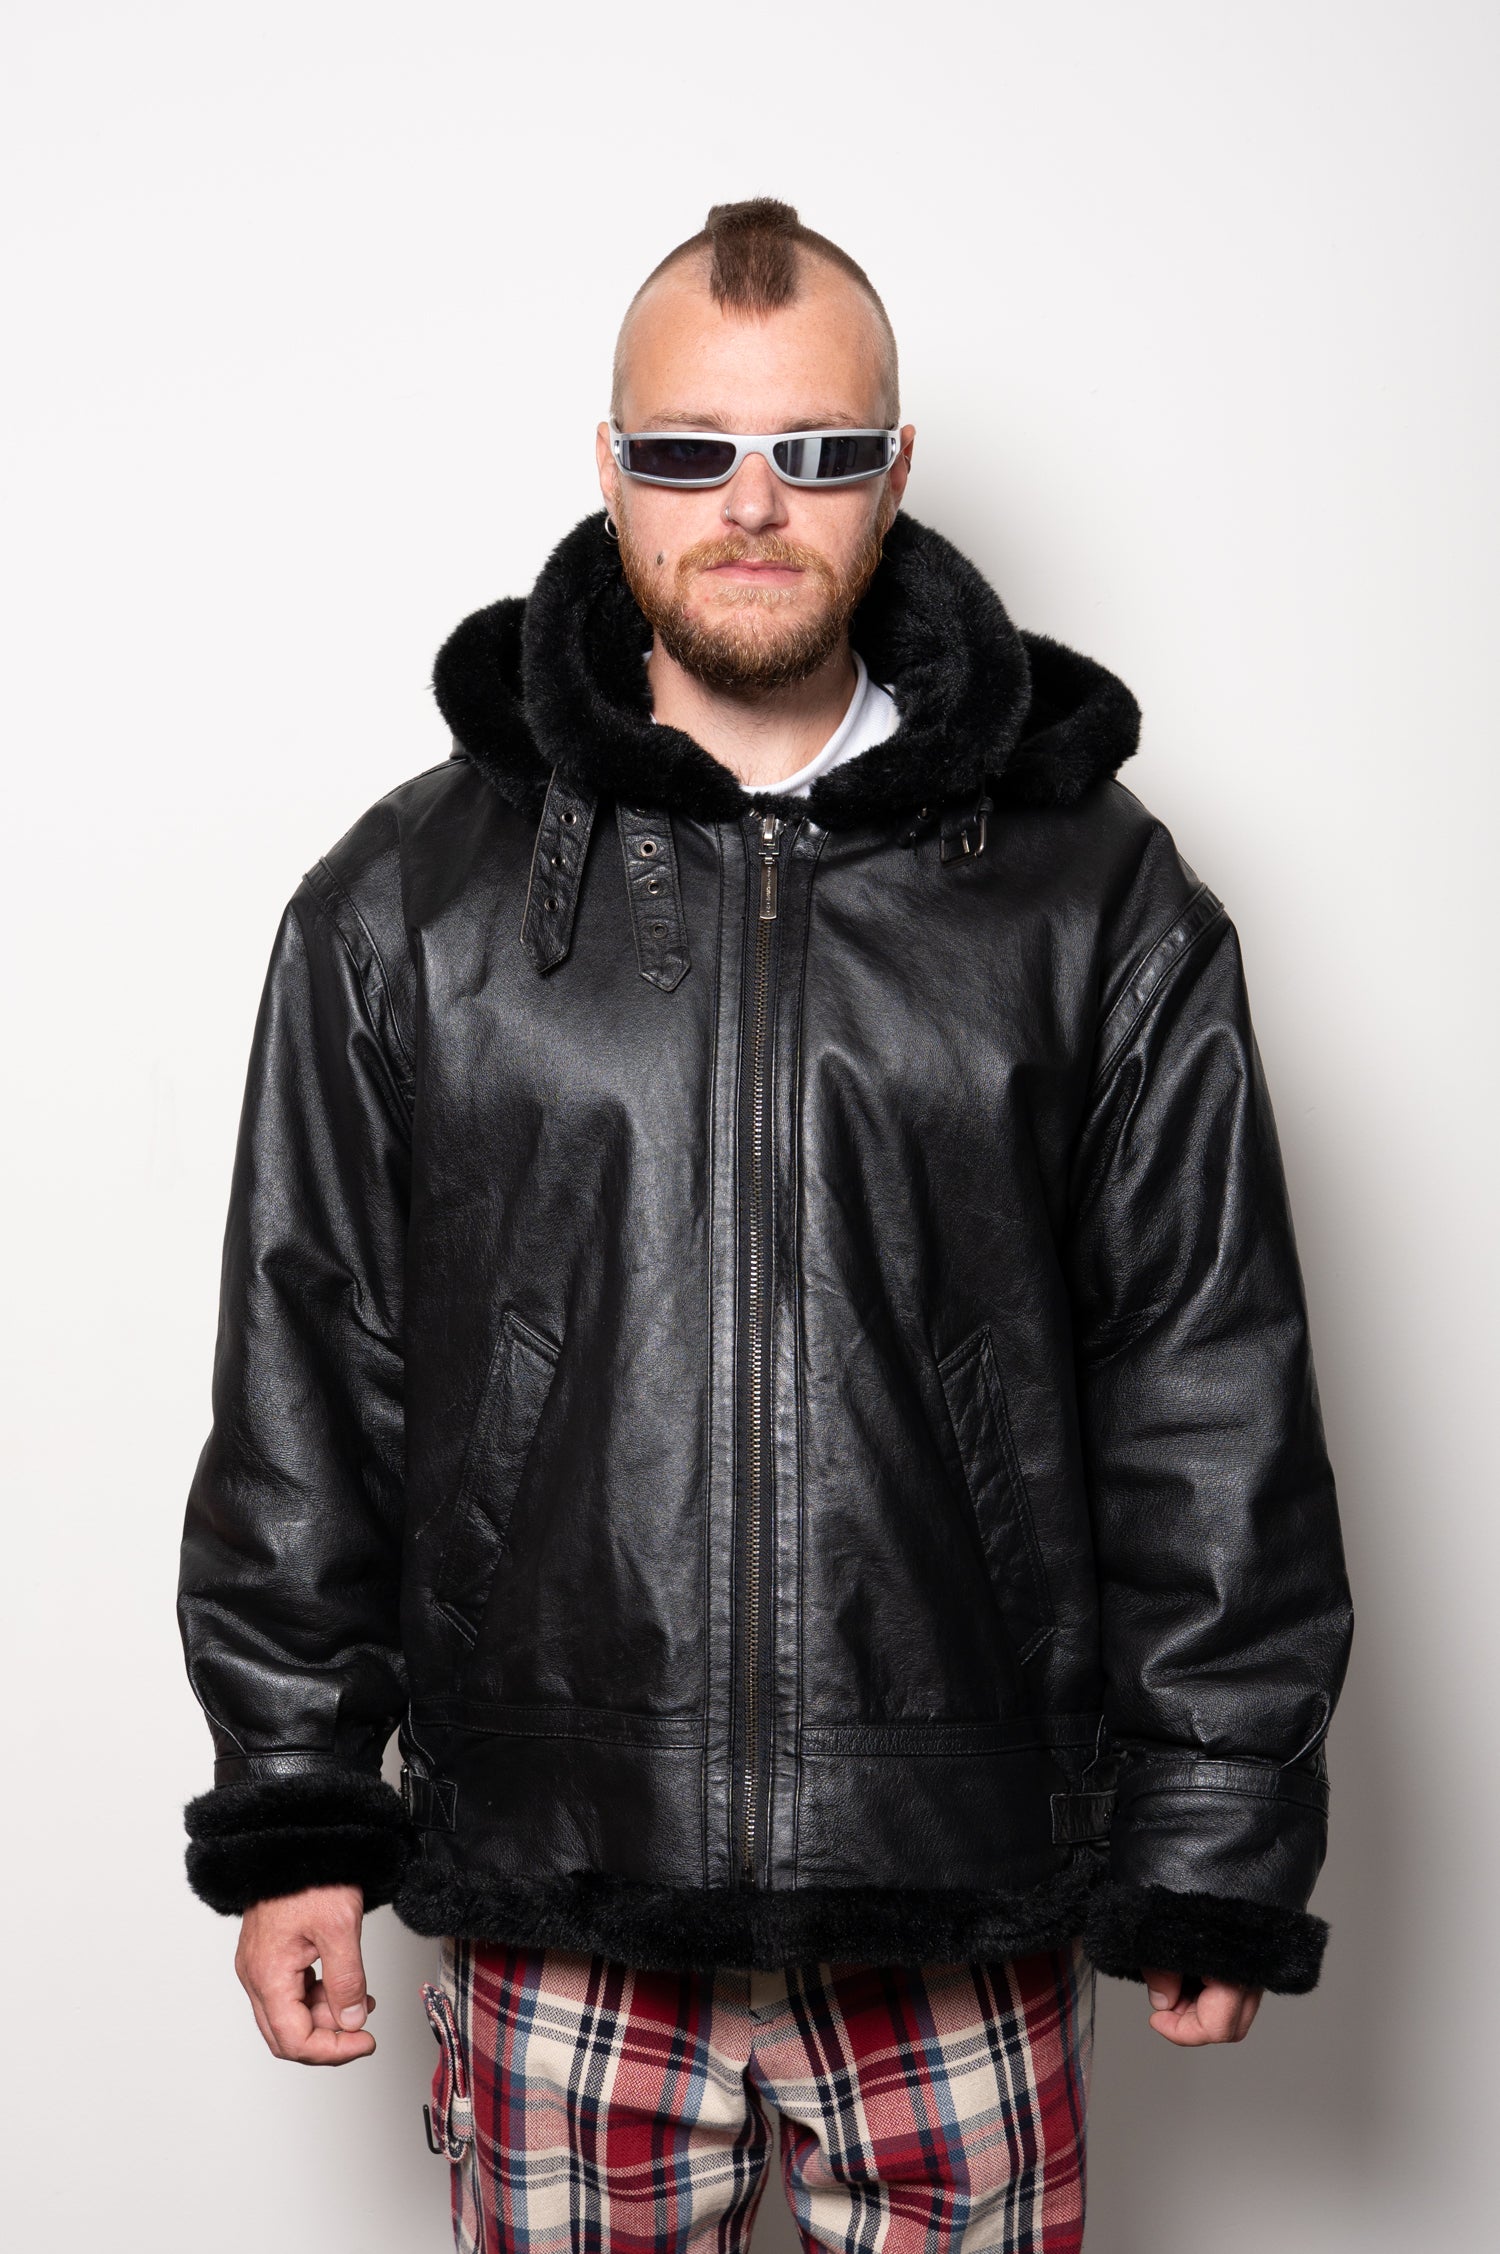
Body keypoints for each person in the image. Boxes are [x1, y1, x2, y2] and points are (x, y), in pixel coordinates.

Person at [177, 199, 1353, 2251]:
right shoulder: (411, 904)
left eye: (816, 450)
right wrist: (295, 1800)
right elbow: (311, 1366)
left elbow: (1202, 1367)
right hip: (562, 1889)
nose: (749, 503)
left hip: (955, 1888)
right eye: (689, 447)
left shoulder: (1092, 900)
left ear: (893, 475)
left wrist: (1220, 1815)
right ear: (607, 464)